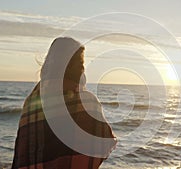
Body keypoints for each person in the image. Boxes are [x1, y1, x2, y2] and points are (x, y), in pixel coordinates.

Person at [12, 37, 116, 169]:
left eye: (82, 63)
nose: (82, 68)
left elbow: (23, 153)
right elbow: (103, 143)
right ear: (64, 64)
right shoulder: (85, 101)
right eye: (78, 62)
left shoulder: (33, 100)